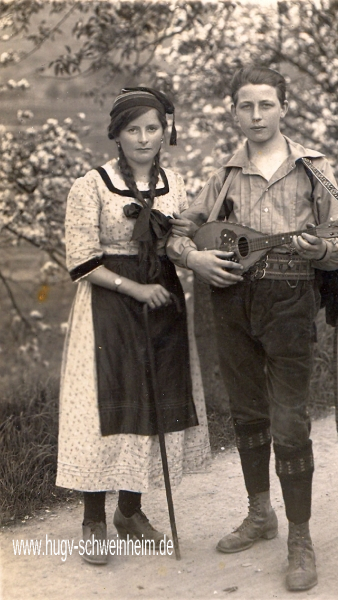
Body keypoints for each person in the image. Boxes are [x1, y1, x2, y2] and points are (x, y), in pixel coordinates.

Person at [167, 66, 338, 592]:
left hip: (290, 302)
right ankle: (259, 514)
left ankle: (300, 537)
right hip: (229, 299)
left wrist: (322, 249)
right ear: (233, 111)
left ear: (283, 108)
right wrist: (195, 259)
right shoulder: (223, 174)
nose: (256, 116)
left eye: (266, 105)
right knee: (246, 412)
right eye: (245, 106)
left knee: (289, 420)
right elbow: (179, 232)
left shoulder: (314, 170)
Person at [56, 87, 210, 565]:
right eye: (133, 129)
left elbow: (174, 249)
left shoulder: (175, 183)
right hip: (108, 307)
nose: (144, 138)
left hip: (162, 307)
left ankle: (130, 511)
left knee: (152, 404)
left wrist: (192, 247)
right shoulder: (90, 186)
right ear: (116, 136)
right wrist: (135, 288)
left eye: (152, 128)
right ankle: (93, 521)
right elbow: (81, 260)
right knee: (105, 409)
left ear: (165, 131)